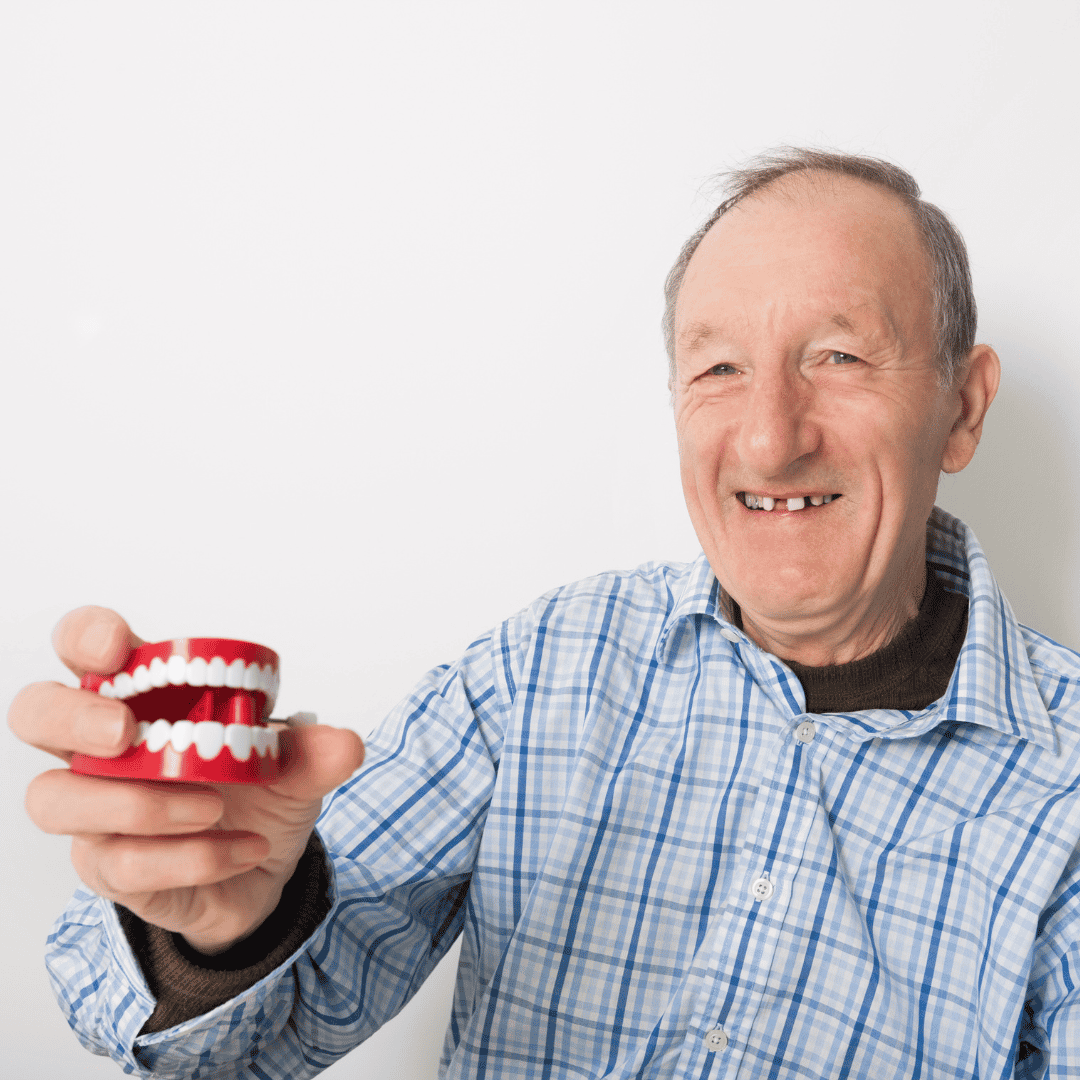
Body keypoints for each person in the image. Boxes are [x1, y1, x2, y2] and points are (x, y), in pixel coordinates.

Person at [10, 148, 1080, 1078]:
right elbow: (244, 1039)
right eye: (718, 368)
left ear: (963, 406)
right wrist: (224, 923)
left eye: (838, 357)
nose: (768, 440)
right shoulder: (550, 667)